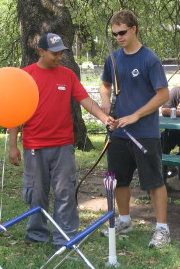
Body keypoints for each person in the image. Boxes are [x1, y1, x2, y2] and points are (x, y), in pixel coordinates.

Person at [8, 33, 115, 247]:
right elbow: (15, 113)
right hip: (34, 146)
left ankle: (65, 235)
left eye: (61, 53)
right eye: (54, 53)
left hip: (63, 146)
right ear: (41, 51)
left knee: (64, 191)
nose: (59, 57)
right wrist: (13, 145)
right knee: (36, 193)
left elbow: (85, 100)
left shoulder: (68, 75)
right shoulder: (25, 76)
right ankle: (37, 233)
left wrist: (105, 118)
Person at [99, 10, 171, 248]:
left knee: (154, 181)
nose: (118, 37)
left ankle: (162, 229)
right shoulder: (113, 59)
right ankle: (124, 220)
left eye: (122, 32)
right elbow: (105, 85)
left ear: (133, 29)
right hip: (118, 133)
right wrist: (106, 104)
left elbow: (163, 95)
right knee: (119, 180)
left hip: (145, 133)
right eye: (115, 34)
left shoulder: (150, 59)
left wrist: (137, 115)